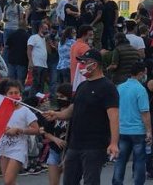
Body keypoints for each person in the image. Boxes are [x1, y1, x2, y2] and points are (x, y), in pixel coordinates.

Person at [44, 48, 119, 185]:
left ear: (94, 65)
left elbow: (113, 117)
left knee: (90, 181)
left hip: (94, 145)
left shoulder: (108, 87)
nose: (81, 66)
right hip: (74, 144)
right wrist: (56, 115)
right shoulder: (82, 86)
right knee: (69, 181)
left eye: (84, 62)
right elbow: (72, 110)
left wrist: (113, 143)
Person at [0, 79, 38, 185]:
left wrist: (19, 130)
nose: (14, 95)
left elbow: (36, 130)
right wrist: (4, 129)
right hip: (4, 146)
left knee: (8, 180)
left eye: (16, 93)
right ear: (6, 94)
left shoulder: (25, 110)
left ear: (20, 94)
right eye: (11, 93)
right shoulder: (2, 110)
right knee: (9, 182)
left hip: (18, 148)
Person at [113, 62, 152, 185]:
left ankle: (117, 182)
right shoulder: (141, 90)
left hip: (122, 129)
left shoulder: (120, 88)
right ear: (141, 73)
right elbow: (144, 112)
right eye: (145, 73)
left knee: (120, 159)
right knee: (139, 160)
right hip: (138, 130)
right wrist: (149, 131)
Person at [27, 23, 50, 94]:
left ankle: (39, 101)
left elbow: (48, 51)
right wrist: (30, 61)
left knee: (41, 85)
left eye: (47, 29)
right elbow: (29, 49)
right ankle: (31, 99)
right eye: (45, 29)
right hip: (36, 64)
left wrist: (47, 41)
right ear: (40, 28)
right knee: (35, 84)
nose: (47, 30)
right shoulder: (34, 37)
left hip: (44, 65)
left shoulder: (44, 39)